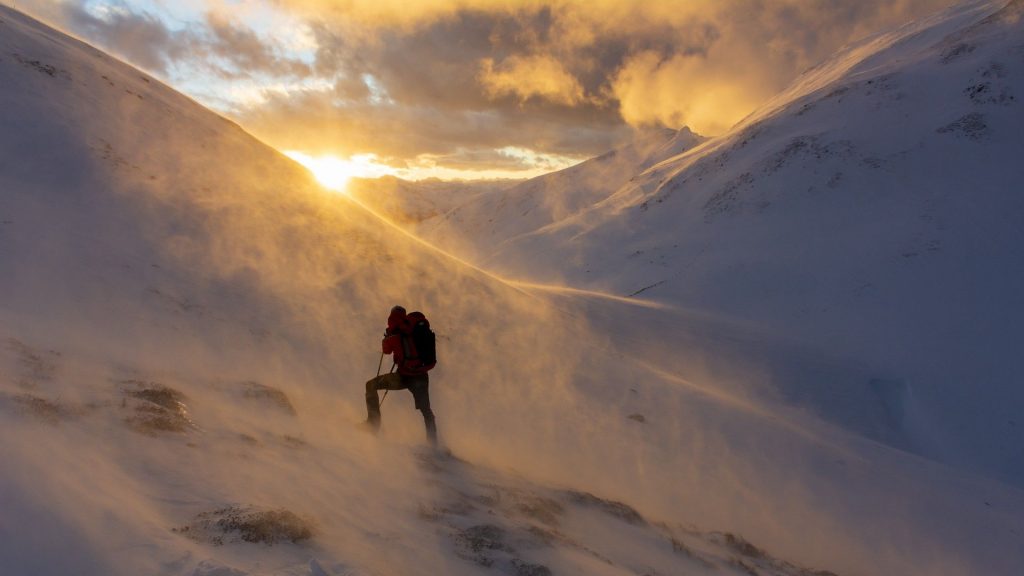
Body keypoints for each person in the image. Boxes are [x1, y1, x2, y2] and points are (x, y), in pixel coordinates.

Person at [364, 305, 438, 444]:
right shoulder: (413, 329)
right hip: (421, 376)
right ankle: (433, 444)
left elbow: (386, 351)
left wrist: (387, 335)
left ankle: (372, 424)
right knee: (426, 410)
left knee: (371, 385)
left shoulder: (395, 334)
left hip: (402, 377)